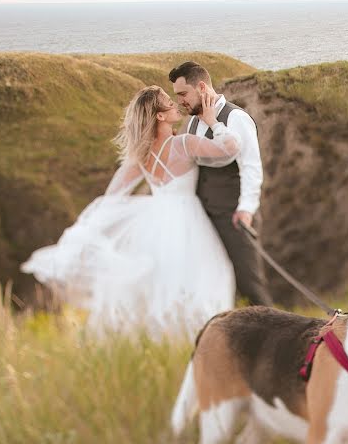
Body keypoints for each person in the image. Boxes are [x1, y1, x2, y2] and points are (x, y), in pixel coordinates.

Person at [21, 86, 241, 341]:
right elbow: (230, 148)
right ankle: (200, 339)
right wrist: (213, 120)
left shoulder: (141, 155)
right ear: (159, 116)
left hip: (155, 222)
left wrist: (91, 229)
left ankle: (167, 340)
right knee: (207, 275)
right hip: (187, 219)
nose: (175, 106)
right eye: (169, 104)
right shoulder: (184, 143)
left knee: (160, 283)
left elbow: (112, 196)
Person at [169, 62, 273, 307]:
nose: (180, 101)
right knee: (216, 281)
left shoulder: (236, 117)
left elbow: (251, 166)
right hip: (203, 217)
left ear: (202, 87)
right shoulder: (194, 122)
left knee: (249, 284)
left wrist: (246, 209)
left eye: (183, 94)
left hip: (232, 214)